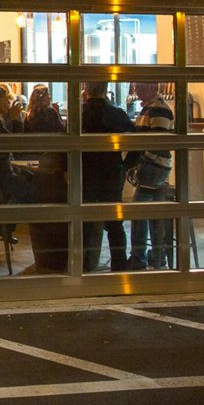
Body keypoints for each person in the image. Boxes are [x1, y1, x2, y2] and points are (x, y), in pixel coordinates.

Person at [80, 82, 134, 272]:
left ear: (86, 90)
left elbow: (65, 147)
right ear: (105, 90)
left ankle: (84, 264)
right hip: (111, 172)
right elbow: (137, 142)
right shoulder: (115, 113)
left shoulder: (80, 113)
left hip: (85, 172)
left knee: (84, 219)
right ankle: (119, 264)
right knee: (114, 222)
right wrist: (126, 165)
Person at [126, 82, 175, 270]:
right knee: (152, 213)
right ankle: (158, 255)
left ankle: (139, 257)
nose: (135, 89)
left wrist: (140, 161)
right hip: (155, 166)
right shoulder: (150, 108)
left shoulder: (158, 110)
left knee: (139, 213)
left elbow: (158, 143)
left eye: (139, 86)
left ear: (151, 87)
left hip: (154, 167)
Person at [23, 84, 68, 272]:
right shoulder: (51, 113)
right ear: (45, 97)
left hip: (35, 164)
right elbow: (61, 135)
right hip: (51, 164)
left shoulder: (29, 115)